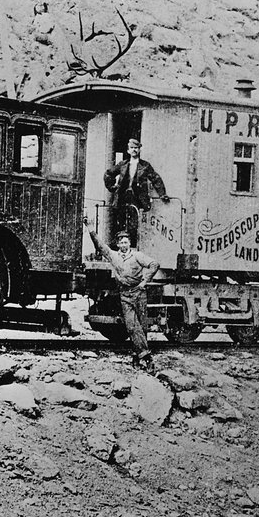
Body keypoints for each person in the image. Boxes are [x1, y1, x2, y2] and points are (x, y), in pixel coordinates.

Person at [86, 219, 159, 370]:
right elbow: (101, 246)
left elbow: (154, 265)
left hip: (139, 293)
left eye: (126, 242)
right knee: (132, 327)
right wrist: (91, 228)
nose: (124, 245)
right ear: (118, 244)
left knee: (142, 327)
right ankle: (146, 356)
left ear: (129, 243)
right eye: (121, 243)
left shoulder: (137, 256)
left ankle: (137, 357)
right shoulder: (114, 256)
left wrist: (144, 282)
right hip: (125, 295)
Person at [104, 138, 169, 245]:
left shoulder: (145, 166)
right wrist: (112, 187)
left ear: (139, 150)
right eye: (132, 148)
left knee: (135, 222)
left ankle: (134, 245)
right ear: (128, 150)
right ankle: (120, 245)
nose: (134, 150)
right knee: (120, 220)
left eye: (136, 148)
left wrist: (162, 194)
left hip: (137, 198)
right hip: (123, 196)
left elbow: (155, 178)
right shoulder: (122, 164)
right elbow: (108, 174)